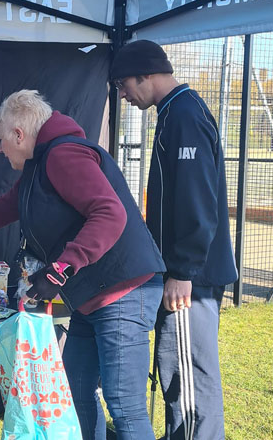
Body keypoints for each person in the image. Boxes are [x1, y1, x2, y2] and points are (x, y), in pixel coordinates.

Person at [0, 89, 166, 440]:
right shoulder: (40, 165)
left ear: (19, 134)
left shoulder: (64, 156)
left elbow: (110, 213)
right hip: (89, 296)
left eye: (3, 141)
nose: (0, 150)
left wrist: (61, 268)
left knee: (124, 405)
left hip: (123, 290)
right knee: (77, 394)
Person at [111, 39, 237, 440]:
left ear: (145, 74)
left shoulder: (184, 115)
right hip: (181, 272)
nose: (124, 95)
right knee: (174, 367)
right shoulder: (173, 112)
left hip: (191, 279)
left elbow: (198, 202)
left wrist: (183, 271)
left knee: (188, 374)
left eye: (124, 85)